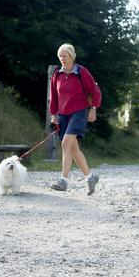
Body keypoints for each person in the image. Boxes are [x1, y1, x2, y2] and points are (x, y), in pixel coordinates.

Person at [49, 43, 102, 195]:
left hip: (78, 113)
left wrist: (93, 109)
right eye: (60, 56)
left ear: (71, 56)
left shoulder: (81, 72)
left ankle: (63, 181)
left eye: (64, 56)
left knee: (66, 144)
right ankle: (90, 178)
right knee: (74, 149)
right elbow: (54, 96)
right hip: (63, 114)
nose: (62, 59)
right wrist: (53, 114)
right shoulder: (57, 74)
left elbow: (95, 90)